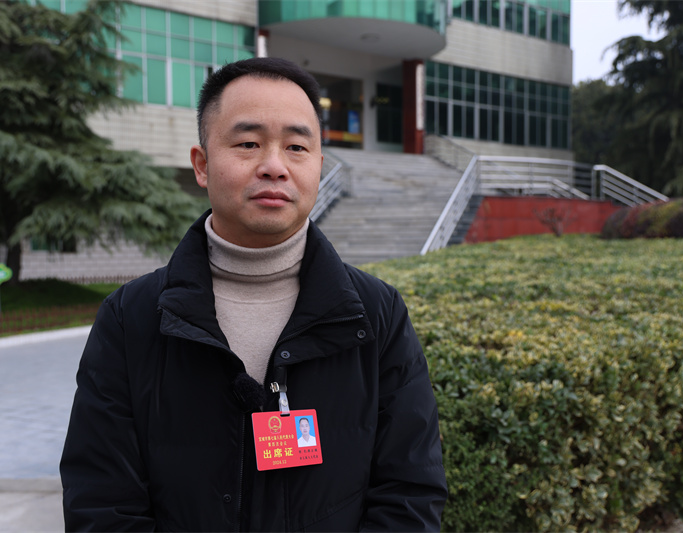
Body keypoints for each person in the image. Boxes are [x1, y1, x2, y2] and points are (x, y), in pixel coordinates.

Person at [60, 57, 447, 532]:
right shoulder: (132, 318)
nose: (274, 166)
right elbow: (101, 504)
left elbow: (410, 494)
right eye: (248, 144)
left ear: (319, 165)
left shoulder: (376, 314)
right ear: (202, 165)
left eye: (296, 147)